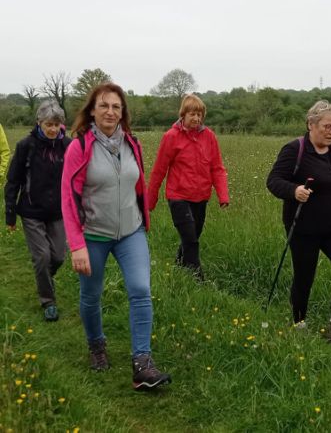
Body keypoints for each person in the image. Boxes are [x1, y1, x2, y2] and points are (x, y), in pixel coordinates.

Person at [61, 83, 170, 390]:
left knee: (140, 289)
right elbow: (68, 198)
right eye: (104, 105)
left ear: (123, 113)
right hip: (93, 235)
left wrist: (144, 217)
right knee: (91, 295)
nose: (110, 112)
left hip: (131, 232)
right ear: (92, 111)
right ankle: (96, 345)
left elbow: (137, 184)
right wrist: (76, 245)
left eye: (116, 107)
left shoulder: (132, 144)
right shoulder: (79, 147)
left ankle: (142, 363)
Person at [266, 100, 331, 350]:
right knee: (305, 277)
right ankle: (298, 325)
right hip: (304, 227)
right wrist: (294, 190)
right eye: (327, 126)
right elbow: (274, 181)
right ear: (311, 125)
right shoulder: (295, 149)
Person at [148, 94, 229, 281]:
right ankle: (198, 280)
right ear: (183, 115)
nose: (196, 118)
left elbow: (217, 168)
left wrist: (223, 195)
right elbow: (159, 170)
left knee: (192, 237)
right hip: (178, 197)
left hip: (201, 197)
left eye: (200, 115)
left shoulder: (209, 137)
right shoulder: (171, 137)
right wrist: (149, 202)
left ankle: (177, 269)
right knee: (191, 239)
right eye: (192, 114)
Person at [4, 101, 71, 321]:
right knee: (42, 257)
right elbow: (13, 180)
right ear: (39, 123)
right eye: (48, 124)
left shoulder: (68, 145)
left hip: (58, 211)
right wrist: (10, 214)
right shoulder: (26, 146)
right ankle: (48, 301)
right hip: (31, 211)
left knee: (59, 256)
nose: (53, 129)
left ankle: (44, 278)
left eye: (57, 125)